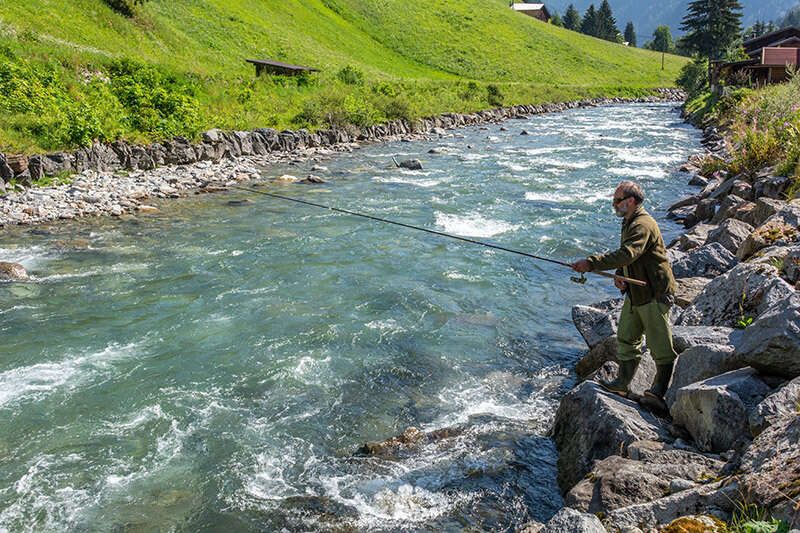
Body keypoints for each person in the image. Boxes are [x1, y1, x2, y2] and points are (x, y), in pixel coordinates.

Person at [571, 180, 678, 412]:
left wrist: (591, 263)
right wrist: (620, 274)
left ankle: (658, 392)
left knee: (660, 344)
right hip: (636, 291)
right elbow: (630, 258)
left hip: (654, 292)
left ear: (631, 201)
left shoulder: (642, 224)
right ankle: (622, 384)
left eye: (617, 200)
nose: (613, 205)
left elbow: (629, 253)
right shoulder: (629, 221)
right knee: (627, 338)